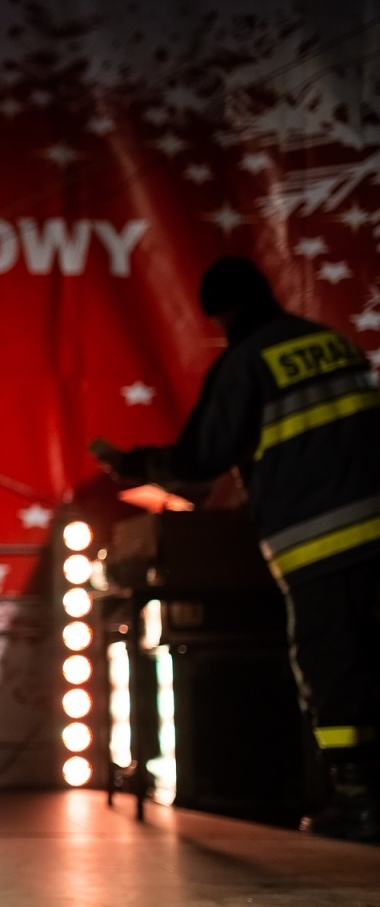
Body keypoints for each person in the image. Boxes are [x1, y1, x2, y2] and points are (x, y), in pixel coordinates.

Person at [93, 257, 380, 842]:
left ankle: (357, 801)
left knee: (333, 666)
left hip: (317, 545)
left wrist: (135, 464)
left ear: (220, 313)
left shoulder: (246, 362)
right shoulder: (334, 344)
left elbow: (202, 457)